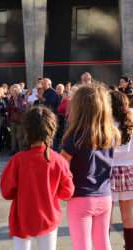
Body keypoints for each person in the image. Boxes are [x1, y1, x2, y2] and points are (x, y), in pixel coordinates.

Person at [0, 106, 74, 250]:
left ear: (26, 130)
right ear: (52, 130)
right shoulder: (59, 160)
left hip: (22, 218)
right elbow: (67, 192)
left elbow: (6, 192)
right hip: (49, 218)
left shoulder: (18, 160)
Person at [61, 84, 120, 250]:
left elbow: (62, 165)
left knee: (82, 245)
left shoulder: (75, 137)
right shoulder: (111, 133)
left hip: (80, 197)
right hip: (105, 195)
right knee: (103, 243)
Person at [110, 91, 133, 250]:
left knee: (106, 218)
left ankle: (104, 245)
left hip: (108, 172)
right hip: (129, 172)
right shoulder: (130, 123)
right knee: (128, 217)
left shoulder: (105, 125)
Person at [7, 84, 27, 153]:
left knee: (20, 135)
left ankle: (21, 150)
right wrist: (9, 119)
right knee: (13, 135)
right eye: (12, 90)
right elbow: (9, 109)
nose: (13, 91)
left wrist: (16, 102)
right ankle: (13, 150)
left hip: (20, 119)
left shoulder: (23, 97)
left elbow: (22, 108)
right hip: (13, 119)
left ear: (18, 90)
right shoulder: (11, 99)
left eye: (15, 90)